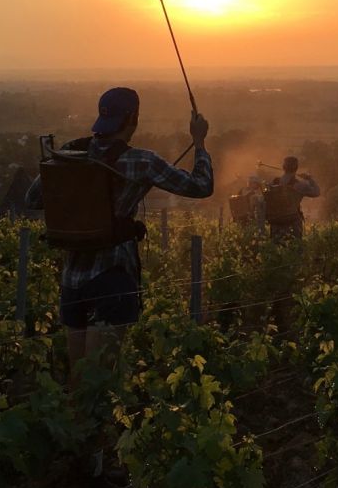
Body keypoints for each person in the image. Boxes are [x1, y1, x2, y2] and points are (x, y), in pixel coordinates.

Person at [26, 86, 213, 384]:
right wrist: (200, 143)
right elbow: (201, 186)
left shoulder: (70, 153)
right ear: (133, 119)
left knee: (79, 381)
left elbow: (33, 198)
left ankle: (81, 429)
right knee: (102, 381)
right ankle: (100, 430)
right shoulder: (141, 161)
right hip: (113, 278)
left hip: (72, 281)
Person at [267, 156, 319, 240]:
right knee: (295, 249)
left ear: (283, 167)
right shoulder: (300, 185)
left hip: (275, 223)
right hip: (293, 223)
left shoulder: (273, 183)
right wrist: (309, 179)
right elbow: (316, 192)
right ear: (296, 168)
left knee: (276, 250)